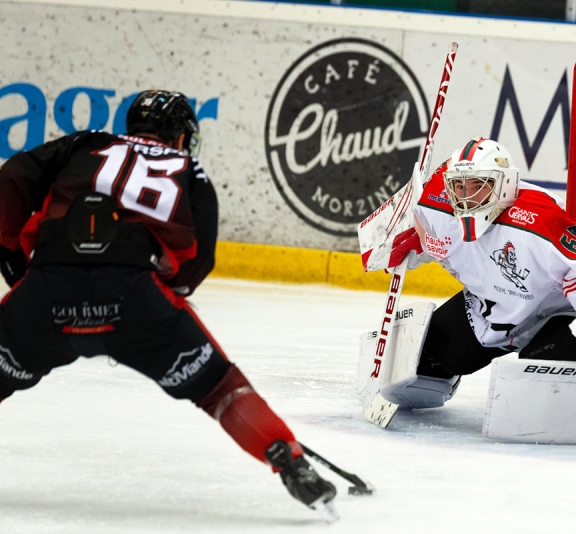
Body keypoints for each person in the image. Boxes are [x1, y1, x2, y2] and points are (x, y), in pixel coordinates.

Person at [0, 90, 336, 516]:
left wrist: (14, 259)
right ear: (180, 137)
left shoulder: (86, 143)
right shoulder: (190, 169)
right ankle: (290, 462)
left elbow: (12, 178)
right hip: (137, 298)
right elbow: (200, 259)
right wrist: (159, 299)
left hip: (46, 290)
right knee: (219, 388)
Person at [398, 136, 576, 404]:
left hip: (556, 317)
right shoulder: (435, 207)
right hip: (490, 312)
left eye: (479, 185)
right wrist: (412, 236)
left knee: (538, 385)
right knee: (426, 357)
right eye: (460, 187)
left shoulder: (537, 219)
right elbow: (396, 220)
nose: (468, 198)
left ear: (505, 184)